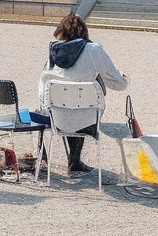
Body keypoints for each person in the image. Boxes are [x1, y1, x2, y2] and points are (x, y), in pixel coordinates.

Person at [37, 13, 128, 173]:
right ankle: (75, 161)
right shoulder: (93, 49)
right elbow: (118, 83)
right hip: (87, 119)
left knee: (65, 101)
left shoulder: (54, 52)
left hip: (57, 118)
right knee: (81, 101)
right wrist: (122, 76)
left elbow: (42, 90)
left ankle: (46, 160)